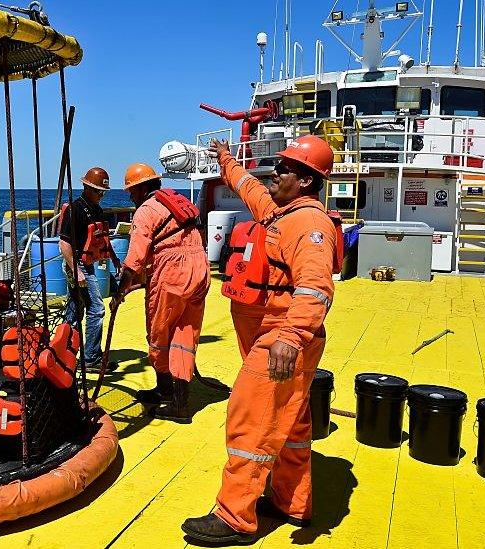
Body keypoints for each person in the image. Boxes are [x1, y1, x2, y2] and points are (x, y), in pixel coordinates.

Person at [182, 135, 338, 544]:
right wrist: (226, 161)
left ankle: (234, 516)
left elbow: (315, 287)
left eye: (285, 168)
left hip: (281, 338)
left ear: (305, 181)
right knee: (292, 424)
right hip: (270, 333)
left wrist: (292, 335)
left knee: (250, 419)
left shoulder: (309, 224)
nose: (276, 171)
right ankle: (292, 502)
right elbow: (249, 187)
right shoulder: (280, 213)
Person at [110, 163, 210, 423]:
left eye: (132, 191)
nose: (131, 197)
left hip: (172, 272)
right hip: (200, 267)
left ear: (143, 188)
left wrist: (120, 291)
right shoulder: (177, 202)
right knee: (185, 332)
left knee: (160, 332)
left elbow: (135, 259)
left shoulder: (146, 210)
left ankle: (171, 395)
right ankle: (176, 396)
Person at [59, 166, 121, 371]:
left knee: (75, 310)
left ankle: (65, 352)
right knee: (97, 308)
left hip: (89, 265)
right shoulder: (75, 209)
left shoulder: (97, 209)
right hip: (77, 265)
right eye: (97, 191)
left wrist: (115, 260)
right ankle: (91, 358)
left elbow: (102, 239)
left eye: (103, 192)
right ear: (86, 187)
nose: (100, 195)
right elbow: (64, 244)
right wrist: (75, 271)